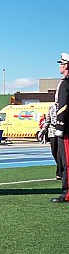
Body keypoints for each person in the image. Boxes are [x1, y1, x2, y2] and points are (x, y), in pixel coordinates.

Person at [51, 52, 69, 203]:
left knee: (66, 162)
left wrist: (60, 126)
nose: (60, 66)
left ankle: (67, 193)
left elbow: (62, 107)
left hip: (66, 129)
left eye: (62, 64)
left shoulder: (65, 84)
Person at [43, 103, 63, 180]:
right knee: (54, 151)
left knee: (59, 152)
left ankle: (59, 172)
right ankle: (61, 167)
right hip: (52, 131)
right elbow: (48, 120)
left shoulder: (64, 106)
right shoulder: (51, 107)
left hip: (61, 130)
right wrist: (43, 131)